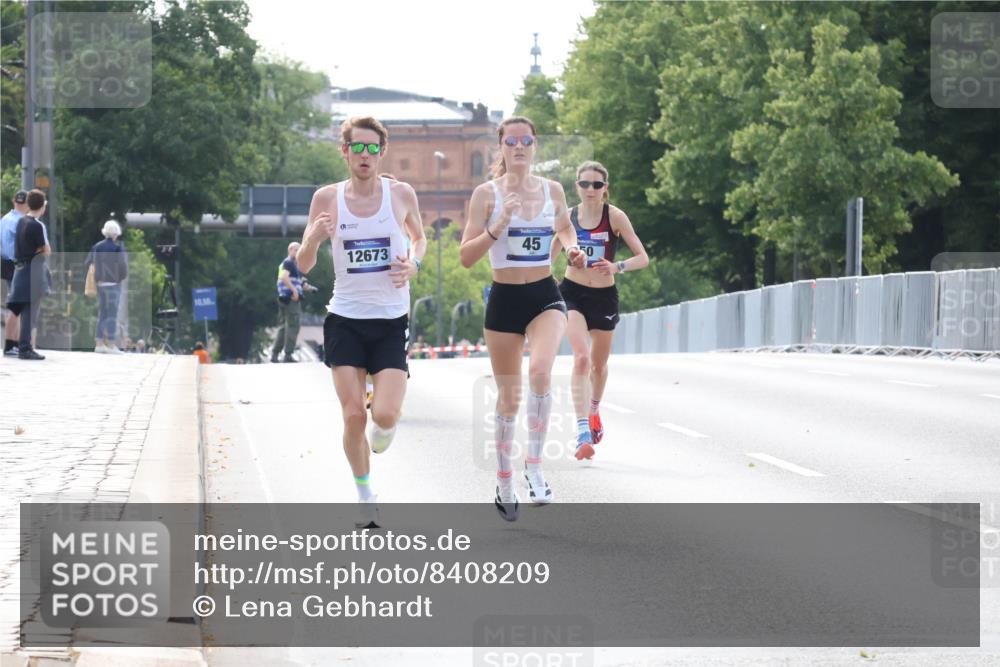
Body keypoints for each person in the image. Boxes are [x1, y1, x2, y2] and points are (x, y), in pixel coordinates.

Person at [297, 116, 427, 528]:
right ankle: (365, 492)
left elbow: (420, 238)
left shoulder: (401, 194)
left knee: (384, 416)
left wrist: (414, 263)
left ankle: (384, 431)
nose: (365, 155)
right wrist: (315, 238)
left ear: (382, 152)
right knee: (354, 415)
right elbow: (302, 263)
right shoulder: (327, 198)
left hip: (390, 319)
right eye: (358, 147)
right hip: (345, 318)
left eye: (373, 148)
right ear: (346, 151)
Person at [459, 116, 586, 521]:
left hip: (544, 294)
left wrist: (572, 249)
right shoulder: (485, 194)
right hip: (505, 299)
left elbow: (565, 227)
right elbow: (465, 257)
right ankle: (503, 480)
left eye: (526, 141)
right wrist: (498, 226)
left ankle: (534, 466)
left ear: (535, 146)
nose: (518, 147)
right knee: (510, 396)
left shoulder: (552, 190)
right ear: (501, 147)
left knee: (542, 372)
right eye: (511, 141)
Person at [551, 161, 649, 459]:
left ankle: (594, 409)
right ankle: (582, 431)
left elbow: (642, 257)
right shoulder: (568, 218)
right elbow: (547, 257)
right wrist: (549, 282)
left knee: (598, 365)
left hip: (604, 296)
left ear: (605, 188)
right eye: (584, 184)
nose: (590, 190)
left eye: (596, 185)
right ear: (576, 187)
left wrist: (616, 266)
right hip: (573, 294)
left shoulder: (615, 217)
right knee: (580, 358)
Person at [5, 190, 50, 360]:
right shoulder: (37, 225)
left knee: (16, 308)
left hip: (19, 269)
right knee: (30, 309)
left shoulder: (21, 221)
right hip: (33, 270)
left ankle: (10, 345)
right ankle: (25, 347)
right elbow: (46, 250)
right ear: (42, 206)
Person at [85, 220, 129, 354]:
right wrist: (121, 277)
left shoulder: (97, 246)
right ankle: (111, 344)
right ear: (116, 233)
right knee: (112, 314)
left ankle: (98, 343)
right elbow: (123, 266)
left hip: (100, 284)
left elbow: (88, 262)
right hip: (113, 284)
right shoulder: (118, 247)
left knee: (102, 313)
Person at [2, 191, 29, 356]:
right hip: (17, 264)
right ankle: (13, 344)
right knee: (17, 306)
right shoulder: (22, 221)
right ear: (27, 204)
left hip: (4, 263)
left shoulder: (4, 219)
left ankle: (13, 343)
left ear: (14, 201)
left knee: (12, 303)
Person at [271, 242, 305, 363]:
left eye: (299, 250)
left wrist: (304, 287)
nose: (298, 252)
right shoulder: (289, 262)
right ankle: (288, 354)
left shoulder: (291, 264)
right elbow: (284, 277)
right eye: (296, 250)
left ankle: (275, 354)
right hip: (290, 298)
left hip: (284, 297)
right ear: (290, 250)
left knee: (283, 327)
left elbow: (295, 280)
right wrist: (294, 290)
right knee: (293, 325)